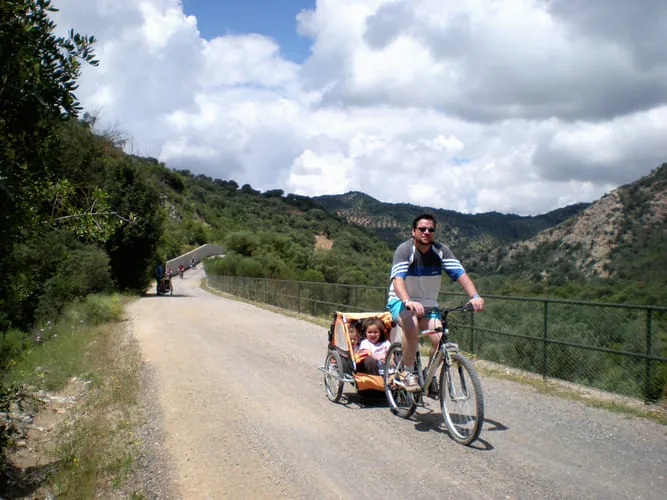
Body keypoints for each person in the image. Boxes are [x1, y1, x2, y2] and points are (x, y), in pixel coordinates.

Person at [386, 213, 484, 391]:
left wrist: (475, 296)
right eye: (422, 229)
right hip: (401, 300)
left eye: (430, 229)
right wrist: (407, 300)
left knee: (440, 339)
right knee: (411, 324)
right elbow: (398, 280)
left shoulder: (441, 251)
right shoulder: (405, 250)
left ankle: (427, 374)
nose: (426, 232)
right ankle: (407, 372)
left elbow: (461, 274)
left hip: (429, 304)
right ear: (413, 231)